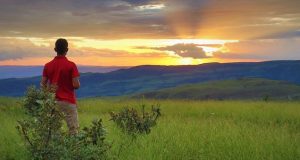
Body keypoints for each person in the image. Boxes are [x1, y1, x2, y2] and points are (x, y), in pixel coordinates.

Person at [41, 38, 80, 135]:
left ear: (55, 49)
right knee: (73, 130)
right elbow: (76, 85)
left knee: (54, 131)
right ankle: (73, 149)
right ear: (67, 50)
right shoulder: (71, 65)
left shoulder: (48, 65)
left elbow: (43, 84)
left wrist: (49, 92)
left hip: (53, 102)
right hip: (69, 102)